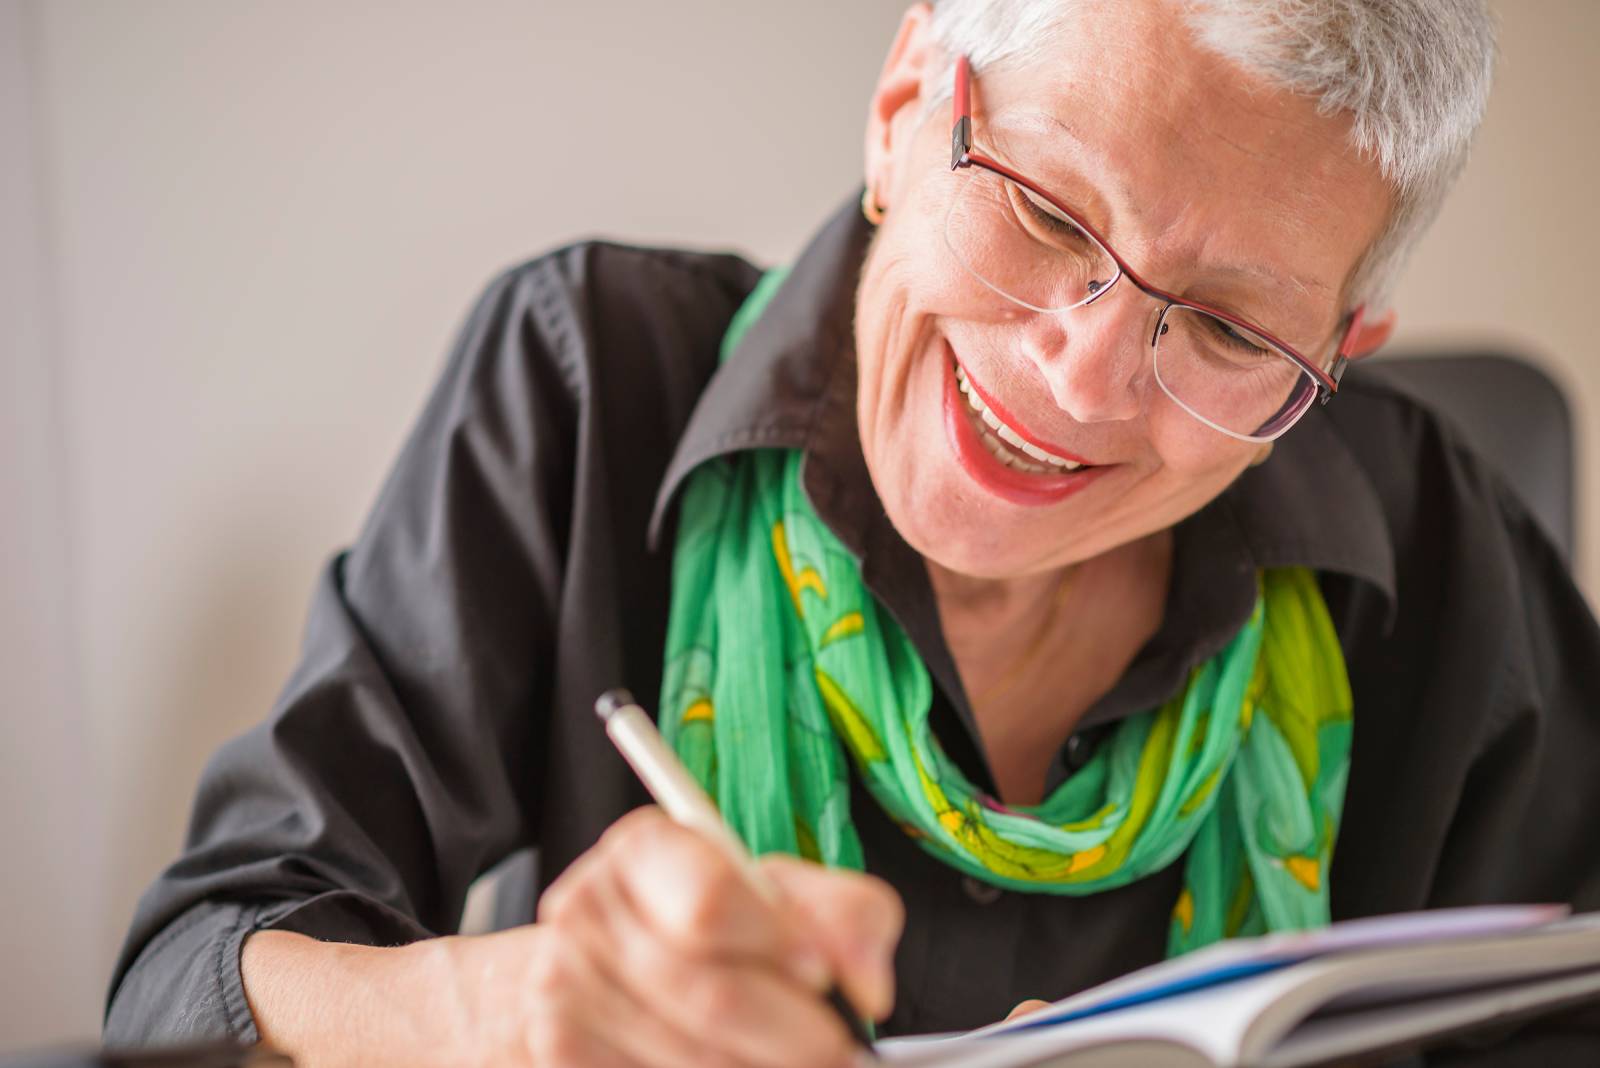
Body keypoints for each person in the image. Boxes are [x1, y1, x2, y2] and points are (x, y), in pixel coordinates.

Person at [105, 0, 1600, 1064]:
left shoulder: (1438, 535)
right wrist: (498, 1014)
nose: (1082, 377)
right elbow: (188, 976)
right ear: (905, 114)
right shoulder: (585, 378)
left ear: (1338, 353)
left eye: (1222, 327)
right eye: (1052, 216)